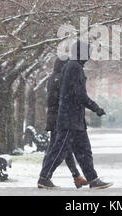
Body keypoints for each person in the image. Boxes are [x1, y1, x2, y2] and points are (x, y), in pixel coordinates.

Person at [38, 40, 113, 190]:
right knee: (59, 150)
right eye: (88, 52)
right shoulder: (74, 67)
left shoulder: (73, 66)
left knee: (84, 151)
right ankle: (44, 178)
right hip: (69, 119)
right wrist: (95, 107)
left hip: (75, 119)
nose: (90, 56)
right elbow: (79, 94)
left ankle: (93, 179)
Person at [43, 56, 89, 189]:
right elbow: (66, 97)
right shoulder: (60, 79)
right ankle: (45, 177)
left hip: (56, 117)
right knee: (56, 149)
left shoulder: (54, 78)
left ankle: (75, 176)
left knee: (62, 148)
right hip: (59, 118)